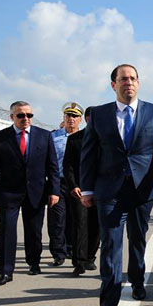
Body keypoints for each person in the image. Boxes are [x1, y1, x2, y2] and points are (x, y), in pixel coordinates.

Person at [80, 64, 153, 306]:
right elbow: (88, 154)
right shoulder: (100, 114)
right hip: (109, 192)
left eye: (133, 78)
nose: (129, 83)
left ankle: (136, 280)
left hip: (142, 191)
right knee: (111, 246)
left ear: (139, 83)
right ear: (113, 84)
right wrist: (87, 188)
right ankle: (109, 303)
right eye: (123, 79)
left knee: (137, 241)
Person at [0, 101, 60, 286]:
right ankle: (5, 271)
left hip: (36, 191)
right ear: (12, 117)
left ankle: (34, 263)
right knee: (7, 232)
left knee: (34, 230)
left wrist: (54, 191)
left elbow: (52, 167)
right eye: (21, 115)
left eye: (29, 115)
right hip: (8, 192)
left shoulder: (44, 136)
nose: (26, 118)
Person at [64, 106, 101, 276]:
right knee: (80, 224)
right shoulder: (75, 139)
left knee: (96, 225)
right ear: (86, 118)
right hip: (80, 189)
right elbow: (68, 165)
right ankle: (79, 261)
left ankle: (90, 257)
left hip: (101, 190)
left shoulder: (106, 139)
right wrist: (73, 185)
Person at [47, 102, 83, 267]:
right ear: (63, 117)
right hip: (58, 183)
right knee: (57, 219)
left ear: (80, 119)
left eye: (74, 116)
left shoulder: (84, 138)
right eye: (68, 115)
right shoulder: (53, 137)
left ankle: (71, 248)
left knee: (75, 219)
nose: (71, 119)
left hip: (76, 184)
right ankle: (58, 253)